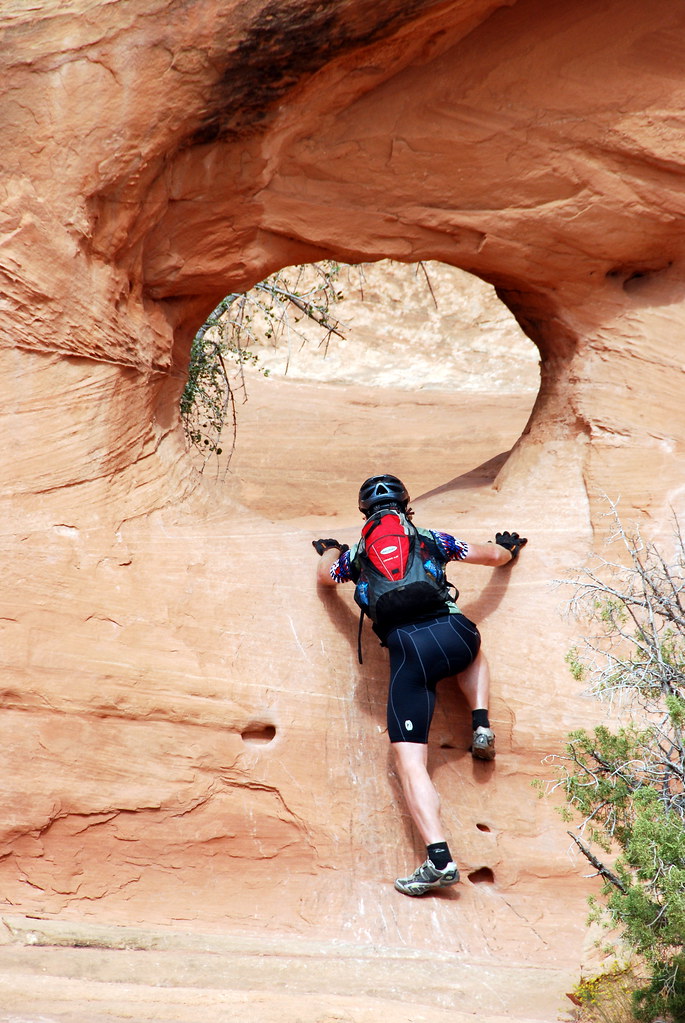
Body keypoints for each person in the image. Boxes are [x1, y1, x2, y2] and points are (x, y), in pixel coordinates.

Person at [313, 474, 527, 897]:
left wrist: (334, 550)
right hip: (455, 634)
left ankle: (439, 861)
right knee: (472, 645)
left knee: (410, 763)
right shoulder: (429, 538)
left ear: (364, 514)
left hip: (410, 654)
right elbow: (490, 556)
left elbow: (325, 577)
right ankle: (480, 721)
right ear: (407, 507)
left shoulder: (357, 554)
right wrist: (506, 547)